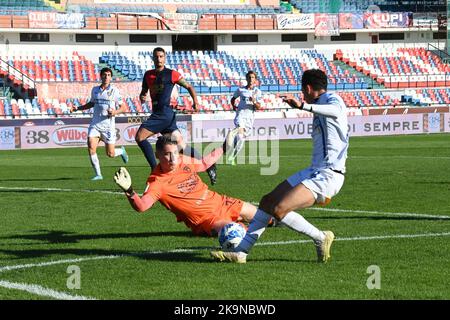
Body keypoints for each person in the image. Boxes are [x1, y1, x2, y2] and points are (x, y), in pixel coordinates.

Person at [210, 69, 349, 263]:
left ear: (308, 88)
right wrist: (306, 106)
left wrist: (303, 105)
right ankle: (240, 253)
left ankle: (320, 237)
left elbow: (337, 111)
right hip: (314, 170)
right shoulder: (319, 103)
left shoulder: (333, 99)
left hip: (329, 175)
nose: (302, 94)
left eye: (302, 90)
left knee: (278, 209)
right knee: (267, 201)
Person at [114, 135, 256, 236]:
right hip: (206, 219)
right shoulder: (157, 182)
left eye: (175, 153)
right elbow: (142, 206)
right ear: (157, 155)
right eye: (167, 154)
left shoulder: (183, 160)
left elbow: (204, 163)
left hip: (222, 202)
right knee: (236, 232)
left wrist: (224, 147)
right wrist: (129, 190)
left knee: (266, 217)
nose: (173, 158)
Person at [136, 47, 217, 185]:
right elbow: (144, 92)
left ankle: (155, 169)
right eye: (156, 56)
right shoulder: (148, 75)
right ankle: (208, 164)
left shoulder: (172, 74)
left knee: (139, 137)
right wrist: (143, 96)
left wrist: (195, 102)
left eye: (161, 56)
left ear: (165, 58)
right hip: (162, 115)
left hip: (163, 114)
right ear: (153, 58)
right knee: (181, 146)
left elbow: (189, 87)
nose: (159, 59)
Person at [70, 67, 128, 181]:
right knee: (91, 147)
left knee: (110, 154)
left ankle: (121, 151)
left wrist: (115, 112)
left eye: (108, 75)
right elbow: (91, 104)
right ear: (101, 76)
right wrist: (77, 108)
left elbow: (124, 107)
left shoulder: (114, 91)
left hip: (108, 127)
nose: (106, 77)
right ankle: (98, 174)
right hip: (95, 125)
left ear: (111, 77)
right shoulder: (95, 90)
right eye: (104, 75)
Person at [225, 70, 262, 165]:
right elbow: (233, 98)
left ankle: (231, 157)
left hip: (249, 118)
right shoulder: (240, 90)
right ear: (246, 79)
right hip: (240, 115)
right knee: (240, 130)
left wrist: (253, 101)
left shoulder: (257, 92)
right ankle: (233, 132)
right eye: (249, 77)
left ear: (255, 80)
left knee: (241, 139)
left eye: (252, 77)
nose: (250, 79)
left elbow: (258, 107)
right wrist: (234, 106)